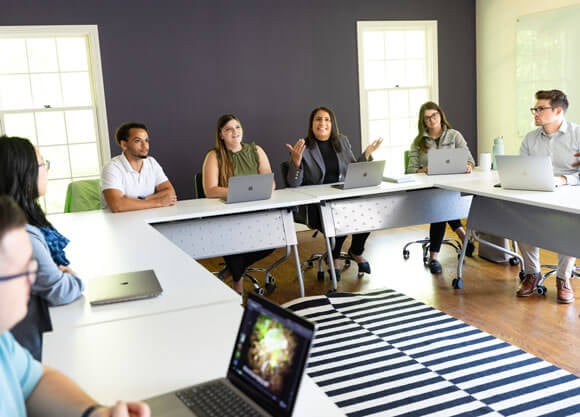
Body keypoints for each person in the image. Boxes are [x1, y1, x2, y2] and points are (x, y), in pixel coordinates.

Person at [0, 195, 150, 417]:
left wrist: (97, 413)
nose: (31, 281)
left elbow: (36, 382)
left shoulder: (3, 341)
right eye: (22, 271)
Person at [0, 136, 84, 361]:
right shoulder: (22, 234)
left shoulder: (18, 221)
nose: (46, 170)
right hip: (31, 344)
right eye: (43, 164)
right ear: (23, 172)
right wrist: (72, 278)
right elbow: (60, 290)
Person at [285, 106, 383, 280]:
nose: (323, 123)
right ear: (312, 124)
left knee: (369, 214)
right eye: (318, 119)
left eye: (327, 119)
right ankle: (334, 257)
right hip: (318, 204)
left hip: (343, 196)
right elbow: (293, 183)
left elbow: (353, 170)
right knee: (341, 216)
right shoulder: (304, 147)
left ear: (332, 124)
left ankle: (356, 251)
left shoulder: (342, 141)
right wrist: (296, 163)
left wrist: (366, 154)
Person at [517, 89, 580, 303]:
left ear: (558, 111)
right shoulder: (530, 139)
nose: (535, 113)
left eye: (541, 109)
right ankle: (532, 274)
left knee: (571, 227)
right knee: (519, 220)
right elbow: (521, 168)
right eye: (534, 109)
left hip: (569, 195)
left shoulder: (577, 134)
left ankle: (563, 278)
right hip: (537, 193)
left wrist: (563, 180)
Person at [202, 114, 276, 294]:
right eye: (228, 129)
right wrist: (239, 191)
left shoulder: (256, 150)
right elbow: (210, 190)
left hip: (255, 211)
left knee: (275, 238)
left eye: (237, 127)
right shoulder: (214, 155)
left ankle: (233, 271)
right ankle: (238, 284)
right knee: (232, 239)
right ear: (221, 135)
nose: (234, 132)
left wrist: (248, 191)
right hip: (226, 213)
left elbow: (270, 183)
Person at [406, 101, 476, 274]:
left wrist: (468, 165)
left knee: (443, 206)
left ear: (440, 115)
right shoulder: (418, 142)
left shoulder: (454, 136)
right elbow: (410, 170)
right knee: (440, 209)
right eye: (427, 118)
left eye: (434, 115)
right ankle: (447, 246)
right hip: (429, 190)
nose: (432, 120)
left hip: (453, 187)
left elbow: (470, 160)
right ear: (423, 121)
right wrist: (424, 170)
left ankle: (438, 254)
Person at [101, 122, 177, 212]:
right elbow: (117, 205)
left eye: (146, 140)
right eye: (137, 141)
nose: (145, 146)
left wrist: (141, 200)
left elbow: (170, 192)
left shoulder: (152, 162)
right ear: (124, 145)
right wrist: (159, 202)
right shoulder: (112, 168)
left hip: (148, 217)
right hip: (118, 223)